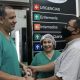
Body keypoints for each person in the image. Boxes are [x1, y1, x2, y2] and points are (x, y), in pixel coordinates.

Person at [0, 5, 27, 80]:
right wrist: (20, 79)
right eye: (11, 18)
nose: (15, 21)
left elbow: (9, 58)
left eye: (15, 17)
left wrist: (22, 66)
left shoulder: (9, 38)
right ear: (1, 19)